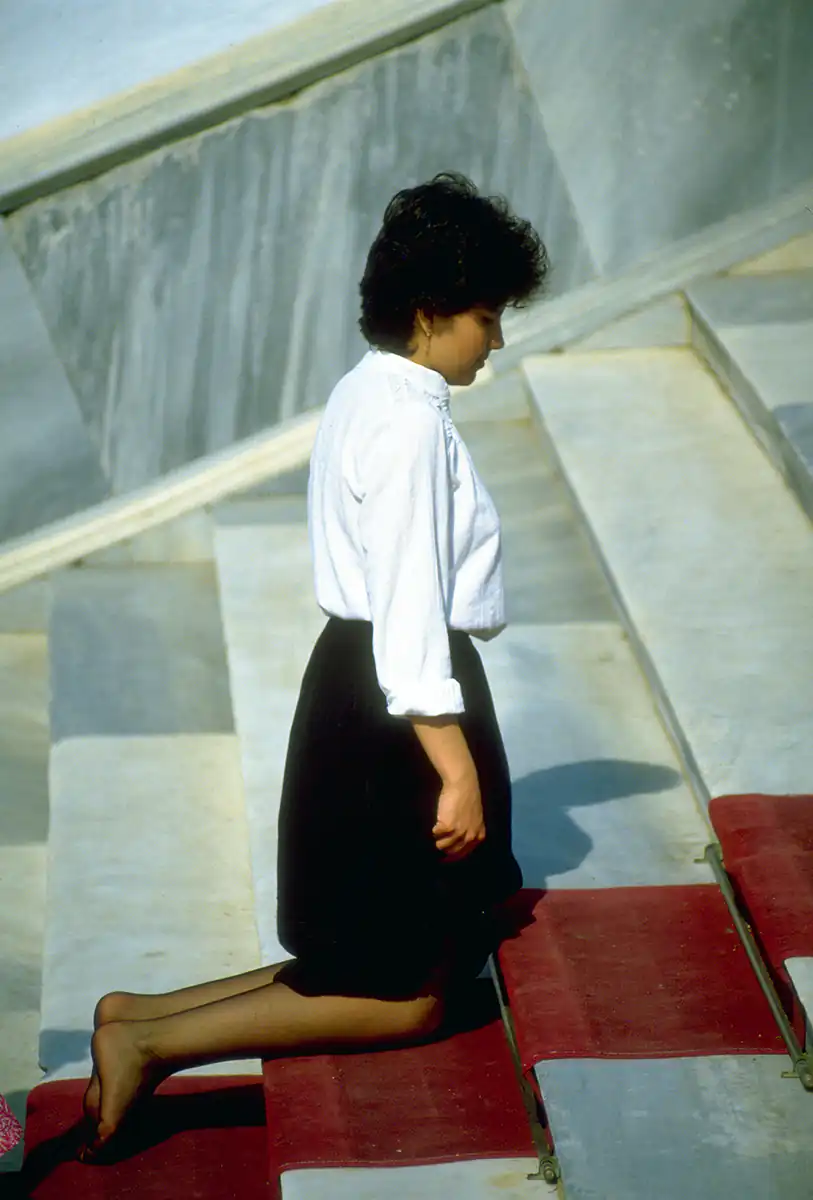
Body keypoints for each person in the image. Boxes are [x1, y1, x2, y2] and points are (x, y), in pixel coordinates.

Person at [80, 171, 548, 1162]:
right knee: (412, 1000)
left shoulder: (365, 388)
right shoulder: (413, 425)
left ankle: (138, 1012)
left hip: (357, 681)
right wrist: (455, 765)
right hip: (396, 704)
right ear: (431, 312)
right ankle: (155, 1041)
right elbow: (411, 604)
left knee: (383, 955)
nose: (496, 339)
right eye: (485, 316)